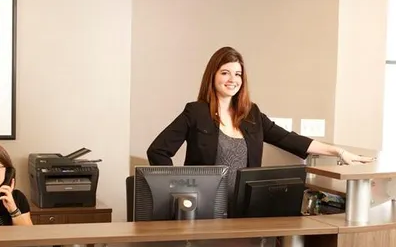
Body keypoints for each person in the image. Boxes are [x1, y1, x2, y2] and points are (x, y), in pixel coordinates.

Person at [146, 46, 375, 194]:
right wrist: (179, 187)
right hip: (205, 206)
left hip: (243, 207)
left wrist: (338, 152)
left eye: (237, 74)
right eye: (225, 72)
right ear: (212, 76)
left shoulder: (251, 114)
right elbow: (157, 151)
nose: (232, 79)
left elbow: (288, 139)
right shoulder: (196, 112)